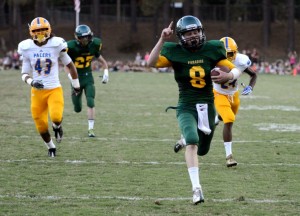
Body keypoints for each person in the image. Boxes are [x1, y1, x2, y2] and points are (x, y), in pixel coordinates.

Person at [147, 15, 241, 205]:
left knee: (203, 150)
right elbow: (151, 63)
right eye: (188, 33)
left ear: (201, 31)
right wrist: (162, 39)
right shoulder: (174, 51)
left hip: (207, 106)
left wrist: (228, 75)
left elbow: (235, 69)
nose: (193, 36)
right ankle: (196, 189)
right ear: (181, 36)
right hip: (186, 105)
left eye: (196, 31)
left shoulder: (212, 49)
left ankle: (184, 138)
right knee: (192, 141)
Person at [17, 17, 80, 157]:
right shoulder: (26, 47)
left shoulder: (57, 44)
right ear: (31, 32)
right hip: (37, 92)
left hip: (54, 89)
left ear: (49, 30)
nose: (39, 33)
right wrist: (32, 82)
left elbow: (70, 65)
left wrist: (76, 85)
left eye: (42, 30)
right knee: (41, 125)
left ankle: (57, 127)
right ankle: (51, 147)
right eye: (36, 31)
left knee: (56, 117)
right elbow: (24, 74)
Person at [214, 37, 257, 167]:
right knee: (229, 120)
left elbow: (253, 75)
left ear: (236, 52)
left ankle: (216, 118)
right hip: (219, 93)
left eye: (230, 54)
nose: (227, 57)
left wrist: (250, 87)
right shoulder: (214, 60)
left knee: (226, 117)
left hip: (234, 95)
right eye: (224, 54)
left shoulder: (241, 60)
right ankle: (229, 156)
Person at [66, 24, 109, 137]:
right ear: (78, 38)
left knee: (90, 101)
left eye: (87, 37)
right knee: (77, 108)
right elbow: (66, 64)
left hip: (88, 76)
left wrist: (106, 72)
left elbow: (103, 62)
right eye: (83, 37)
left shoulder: (94, 45)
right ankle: (76, 101)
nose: (85, 39)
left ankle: (91, 129)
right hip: (76, 78)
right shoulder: (71, 47)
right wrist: (70, 76)